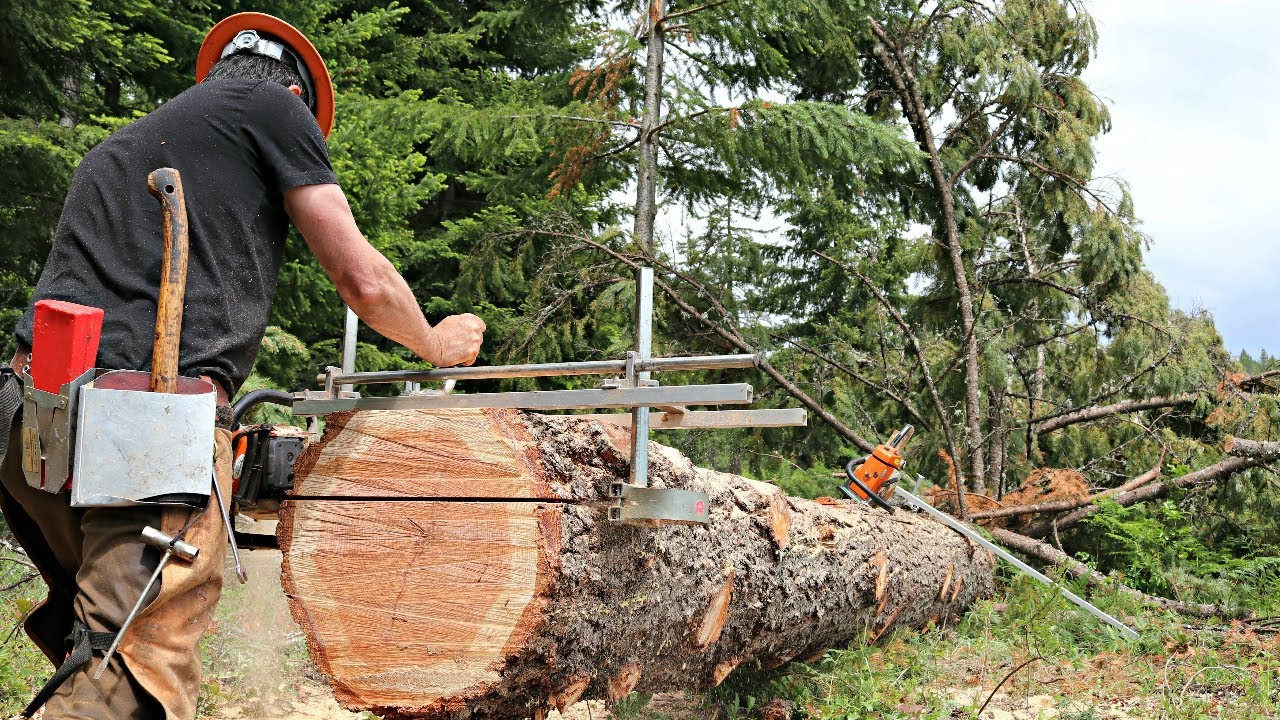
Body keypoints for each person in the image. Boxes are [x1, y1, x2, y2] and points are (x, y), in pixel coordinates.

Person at [0, 12, 485, 719]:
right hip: (139, 427)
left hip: (26, 418)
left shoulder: (127, 143)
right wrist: (436, 345)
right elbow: (363, 282)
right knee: (130, 680)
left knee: (97, 649)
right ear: (298, 101)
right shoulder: (272, 108)